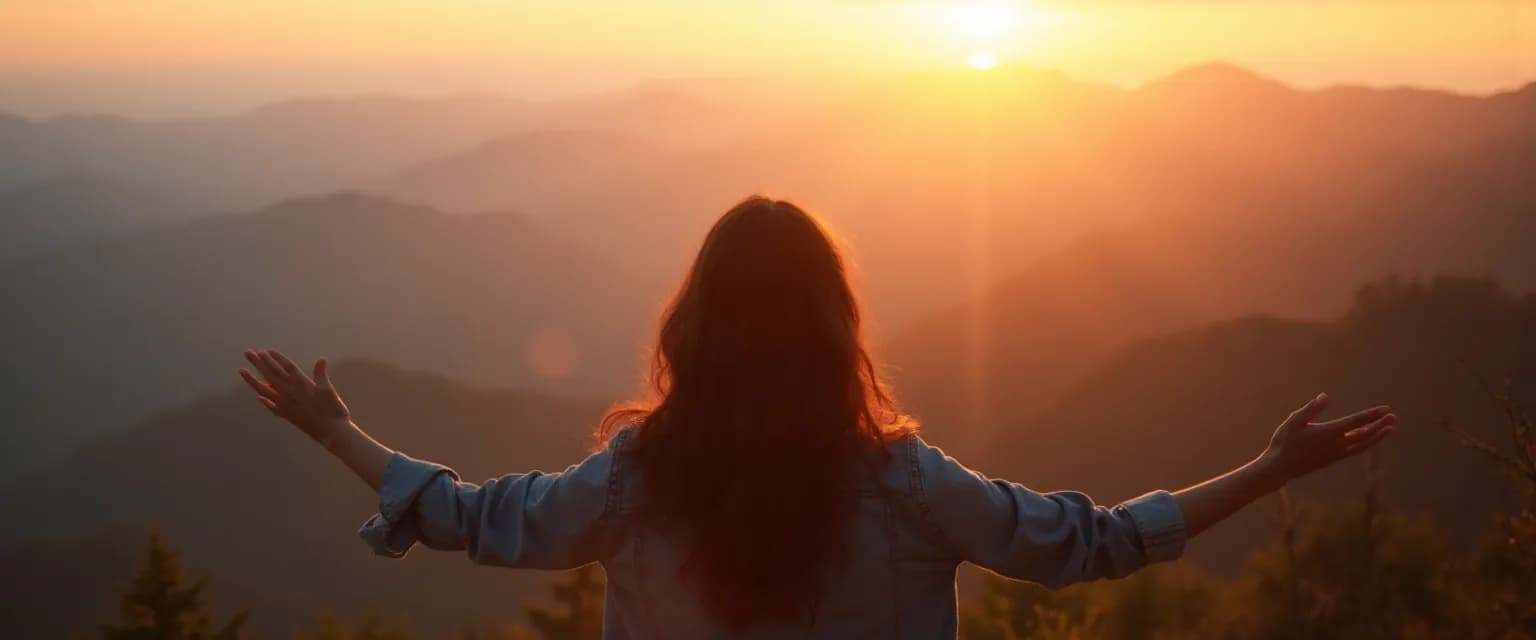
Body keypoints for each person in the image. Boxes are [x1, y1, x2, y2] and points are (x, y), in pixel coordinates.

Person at [238, 196, 1396, 639]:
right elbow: (1084, 543)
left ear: (695, 329)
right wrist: (1263, 469)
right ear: (837, 329)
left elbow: (474, 519)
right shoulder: (902, 486)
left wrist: (335, 428)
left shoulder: (638, 480)